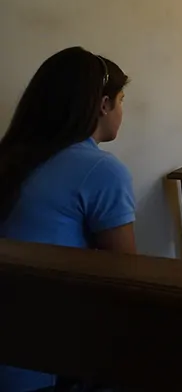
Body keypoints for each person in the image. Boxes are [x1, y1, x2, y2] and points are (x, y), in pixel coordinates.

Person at [0, 47, 135, 392]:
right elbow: (129, 279)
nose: (122, 111)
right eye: (120, 100)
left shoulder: (10, 158)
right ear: (103, 105)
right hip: (43, 368)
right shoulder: (101, 170)